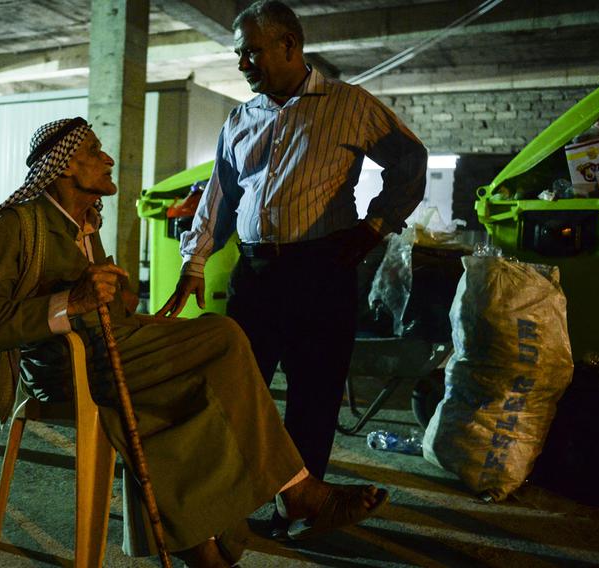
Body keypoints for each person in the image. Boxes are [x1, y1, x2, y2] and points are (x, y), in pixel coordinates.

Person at [0, 117, 388, 566]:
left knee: (196, 395)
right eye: (94, 151)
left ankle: (205, 548)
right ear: (62, 167)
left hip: (114, 350)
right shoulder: (17, 225)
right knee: (222, 336)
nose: (108, 159)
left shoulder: (84, 223)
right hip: (66, 369)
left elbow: (99, 304)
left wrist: (117, 298)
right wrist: (74, 300)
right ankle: (295, 493)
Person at [158, 0, 427, 538]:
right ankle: (233, 500)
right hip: (255, 276)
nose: (243, 65)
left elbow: (409, 158)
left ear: (289, 46)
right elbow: (221, 196)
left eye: (252, 52)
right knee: (238, 390)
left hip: (322, 270)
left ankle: (295, 507)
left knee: (315, 393)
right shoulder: (240, 118)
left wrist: (376, 225)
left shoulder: (348, 105)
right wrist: (194, 264)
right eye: (240, 54)